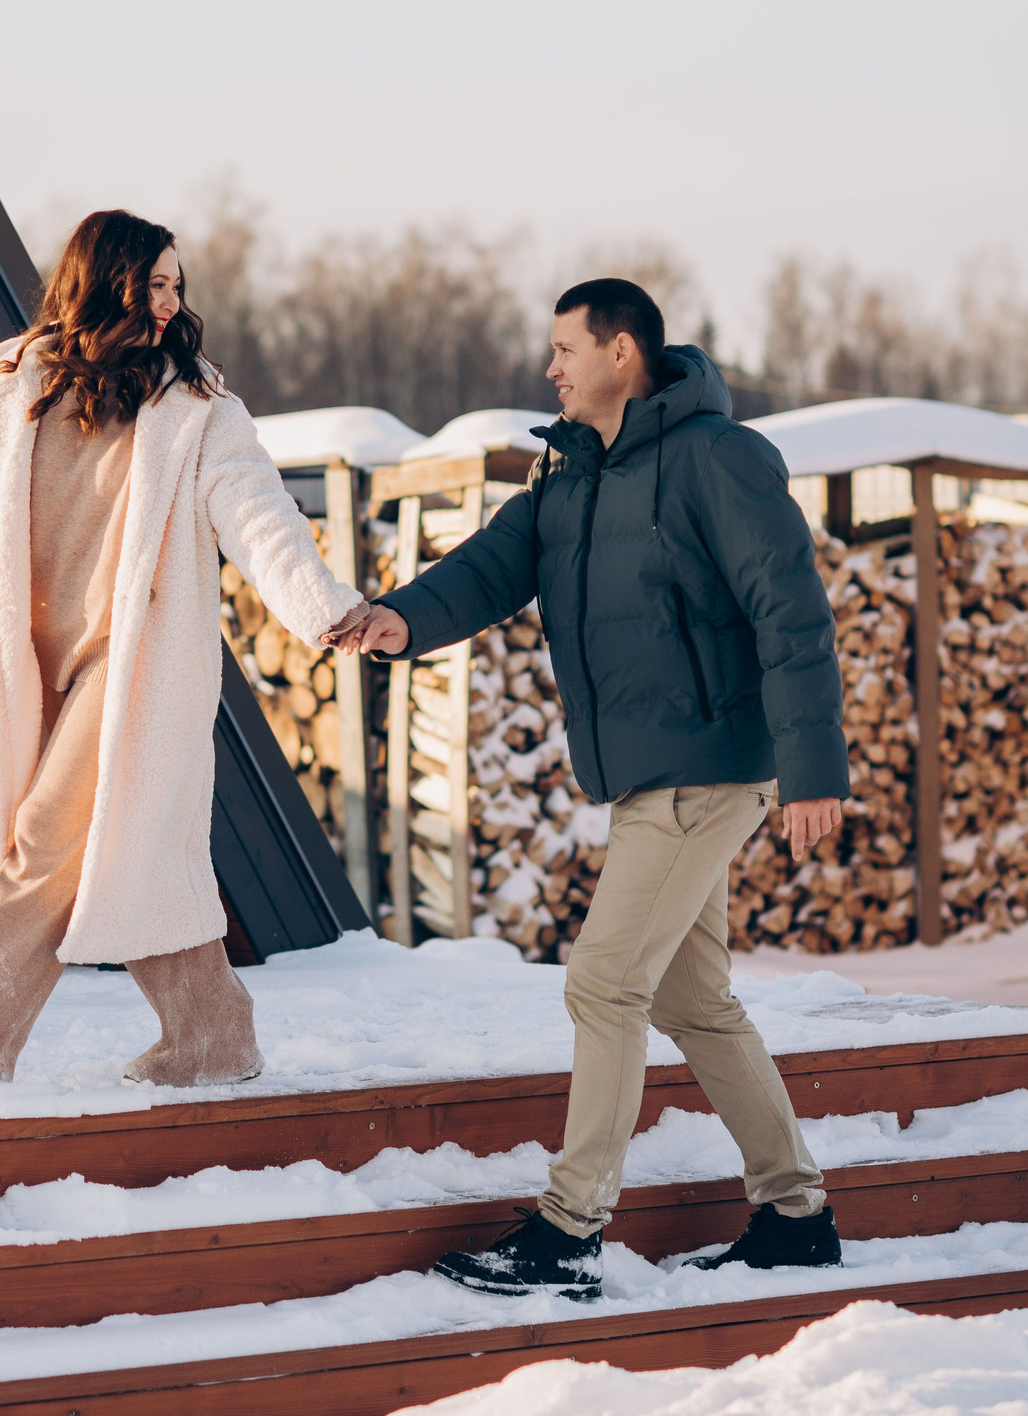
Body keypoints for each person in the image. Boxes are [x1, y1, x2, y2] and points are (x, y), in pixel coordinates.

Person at [338, 278, 851, 1296]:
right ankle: (795, 1213)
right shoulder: (569, 470)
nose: (550, 367)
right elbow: (492, 565)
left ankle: (570, 1228)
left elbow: (790, 613)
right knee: (690, 997)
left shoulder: (717, 458)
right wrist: (399, 618)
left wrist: (812, 768)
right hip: (649, 774)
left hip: (709, 764)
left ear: (622, 352)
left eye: (565, 347)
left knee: (603, 982)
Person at [0, 209, 367, 1086]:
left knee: (46, 837)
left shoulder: (201, 410)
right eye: (154, 284)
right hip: (36, 669)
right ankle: (213, 1036)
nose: (169, 304)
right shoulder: (3, 398)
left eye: (176, 287)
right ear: (105, 283)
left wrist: (321, 607)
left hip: (136, 666)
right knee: (127, 856)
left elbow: (260, 516)